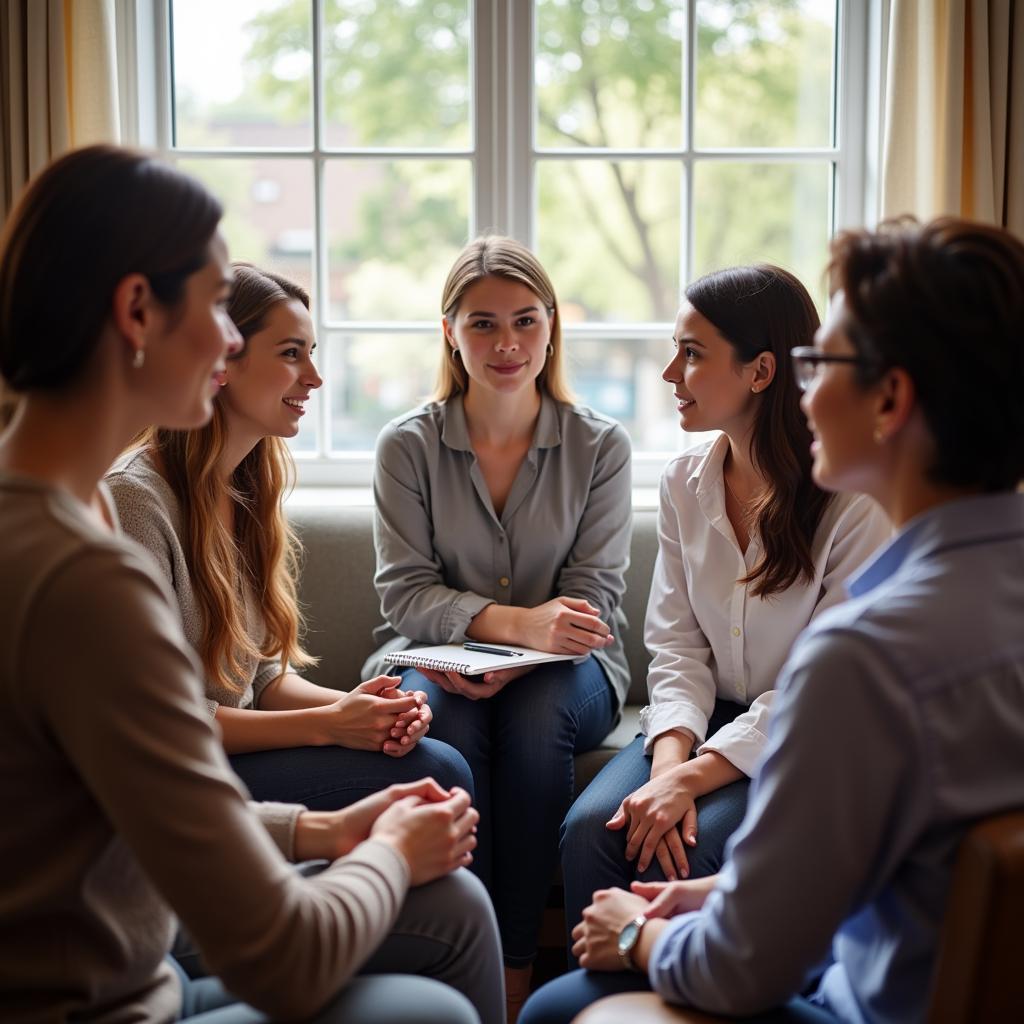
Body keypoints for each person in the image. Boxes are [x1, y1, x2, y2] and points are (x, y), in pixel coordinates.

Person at [0, 144, 503, 1024]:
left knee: (455, 906)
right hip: (116, 995)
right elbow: (284, 960)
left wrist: (328, 832)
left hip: (141, 944)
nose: (227, 340)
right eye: (214, 306)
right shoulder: (87, 571)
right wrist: (384, 847)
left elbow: (132, 815)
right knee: (445, 1005)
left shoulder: (62, 522)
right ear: (137, 312)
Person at [521, 216, 1024, 1023]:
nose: (806, 386)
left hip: (857, 999)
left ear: (890, 399)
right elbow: (909, 859)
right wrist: (719, 884)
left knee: (557, 1009)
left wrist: (634, 935)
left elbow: (744, 970)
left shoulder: (866, 658)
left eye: (822, 361)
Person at [560, 264, 890, 944]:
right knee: (596, 826)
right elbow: (677, 647)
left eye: (691, 354)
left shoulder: (852, 500)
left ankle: (677, 984)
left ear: (760, 370)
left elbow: (816, 690)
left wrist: (692, 782)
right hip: (704, 716)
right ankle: (604, 1007)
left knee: (690, 844)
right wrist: (667, 771)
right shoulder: (684, 482)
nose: (668, 375)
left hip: (804, 733)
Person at [363, 235, 632, 1017]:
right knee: (439, 718)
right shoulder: (407, 446)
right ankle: (461, 965)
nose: (507, 344)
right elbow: (405, 594)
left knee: (538, 709)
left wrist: (531, 648)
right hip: (433, 658)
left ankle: (512, 973)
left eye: (524, 320)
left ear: (552, 326)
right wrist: (511, 629)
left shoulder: (600, 445)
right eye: (482, 324)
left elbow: (595, 600)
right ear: (449, 331)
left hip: (571, 672)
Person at [107, 262, 473, 812]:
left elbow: (258, 680)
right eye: (290, 353)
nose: (315, 378)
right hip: (172, 774)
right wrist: (328, 725)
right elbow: (155, 720)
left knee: (435, 751)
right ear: (222, 358)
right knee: (440, 771)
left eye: (312, 352)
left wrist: (364, 708)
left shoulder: (245, 489)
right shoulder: (134, 502)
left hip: (230, 752)